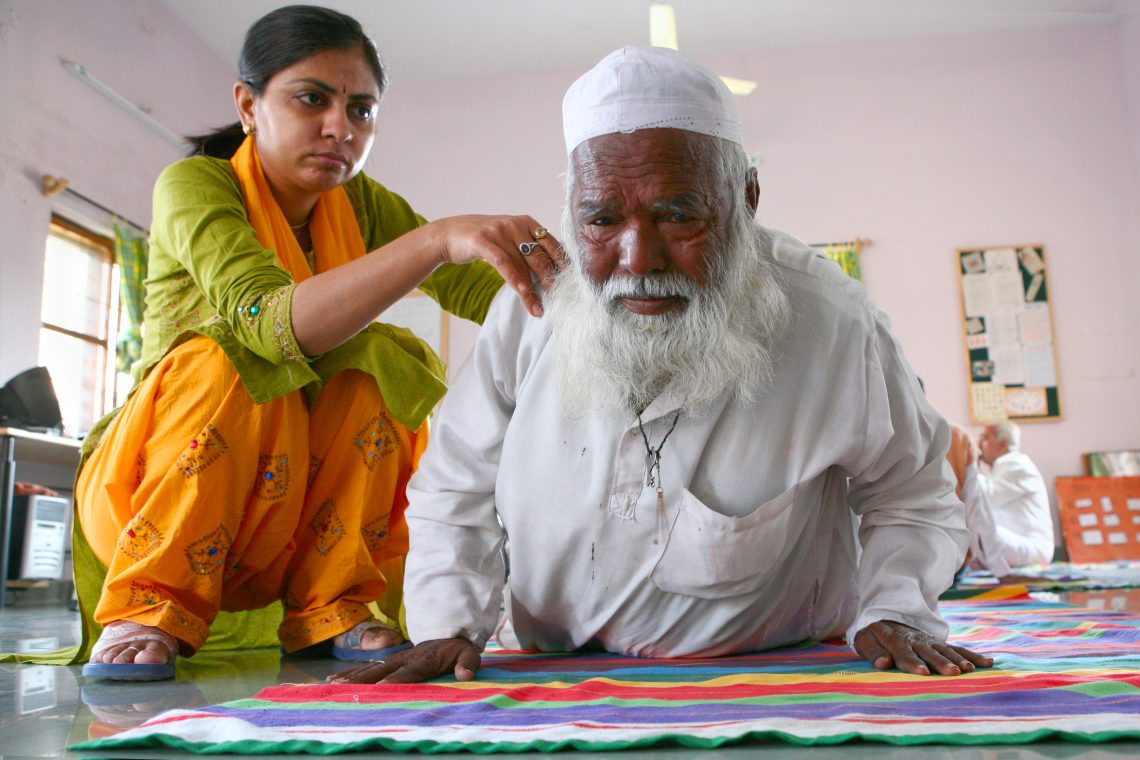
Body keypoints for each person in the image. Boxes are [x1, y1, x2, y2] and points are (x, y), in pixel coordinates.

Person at [333, 46, 993, 686]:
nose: (637, 257)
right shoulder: (536, 308)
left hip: (771, 670)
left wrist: (894, 610)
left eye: (678, 215)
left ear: (747, 199)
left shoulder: (833, 321)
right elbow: (454, 486)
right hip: (553, 671)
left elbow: (911, 491)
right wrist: (449, 622)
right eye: (601, 218)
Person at [74, 5, 562, 681]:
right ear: (248, 104)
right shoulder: (195, 186)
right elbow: (272, 323)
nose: (342, 128)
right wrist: (433, 238)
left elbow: (497, 298)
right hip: (162, 491)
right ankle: (148, 605)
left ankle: (332, 603)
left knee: (382, 364)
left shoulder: (362, 206)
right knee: (229, 360)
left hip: (296, 504)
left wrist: (601, 295)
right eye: (312, 100)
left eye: (362, 110)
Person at [961, 421, 1054, 576]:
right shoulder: (1002, 467)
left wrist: (966, 461)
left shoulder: (1017, 464)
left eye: (985, 437)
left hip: (1033, 547)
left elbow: (986, 498)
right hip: (1017, 543)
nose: (979, 443)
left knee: (973, 523)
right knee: (971, 520)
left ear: (1003, 444)